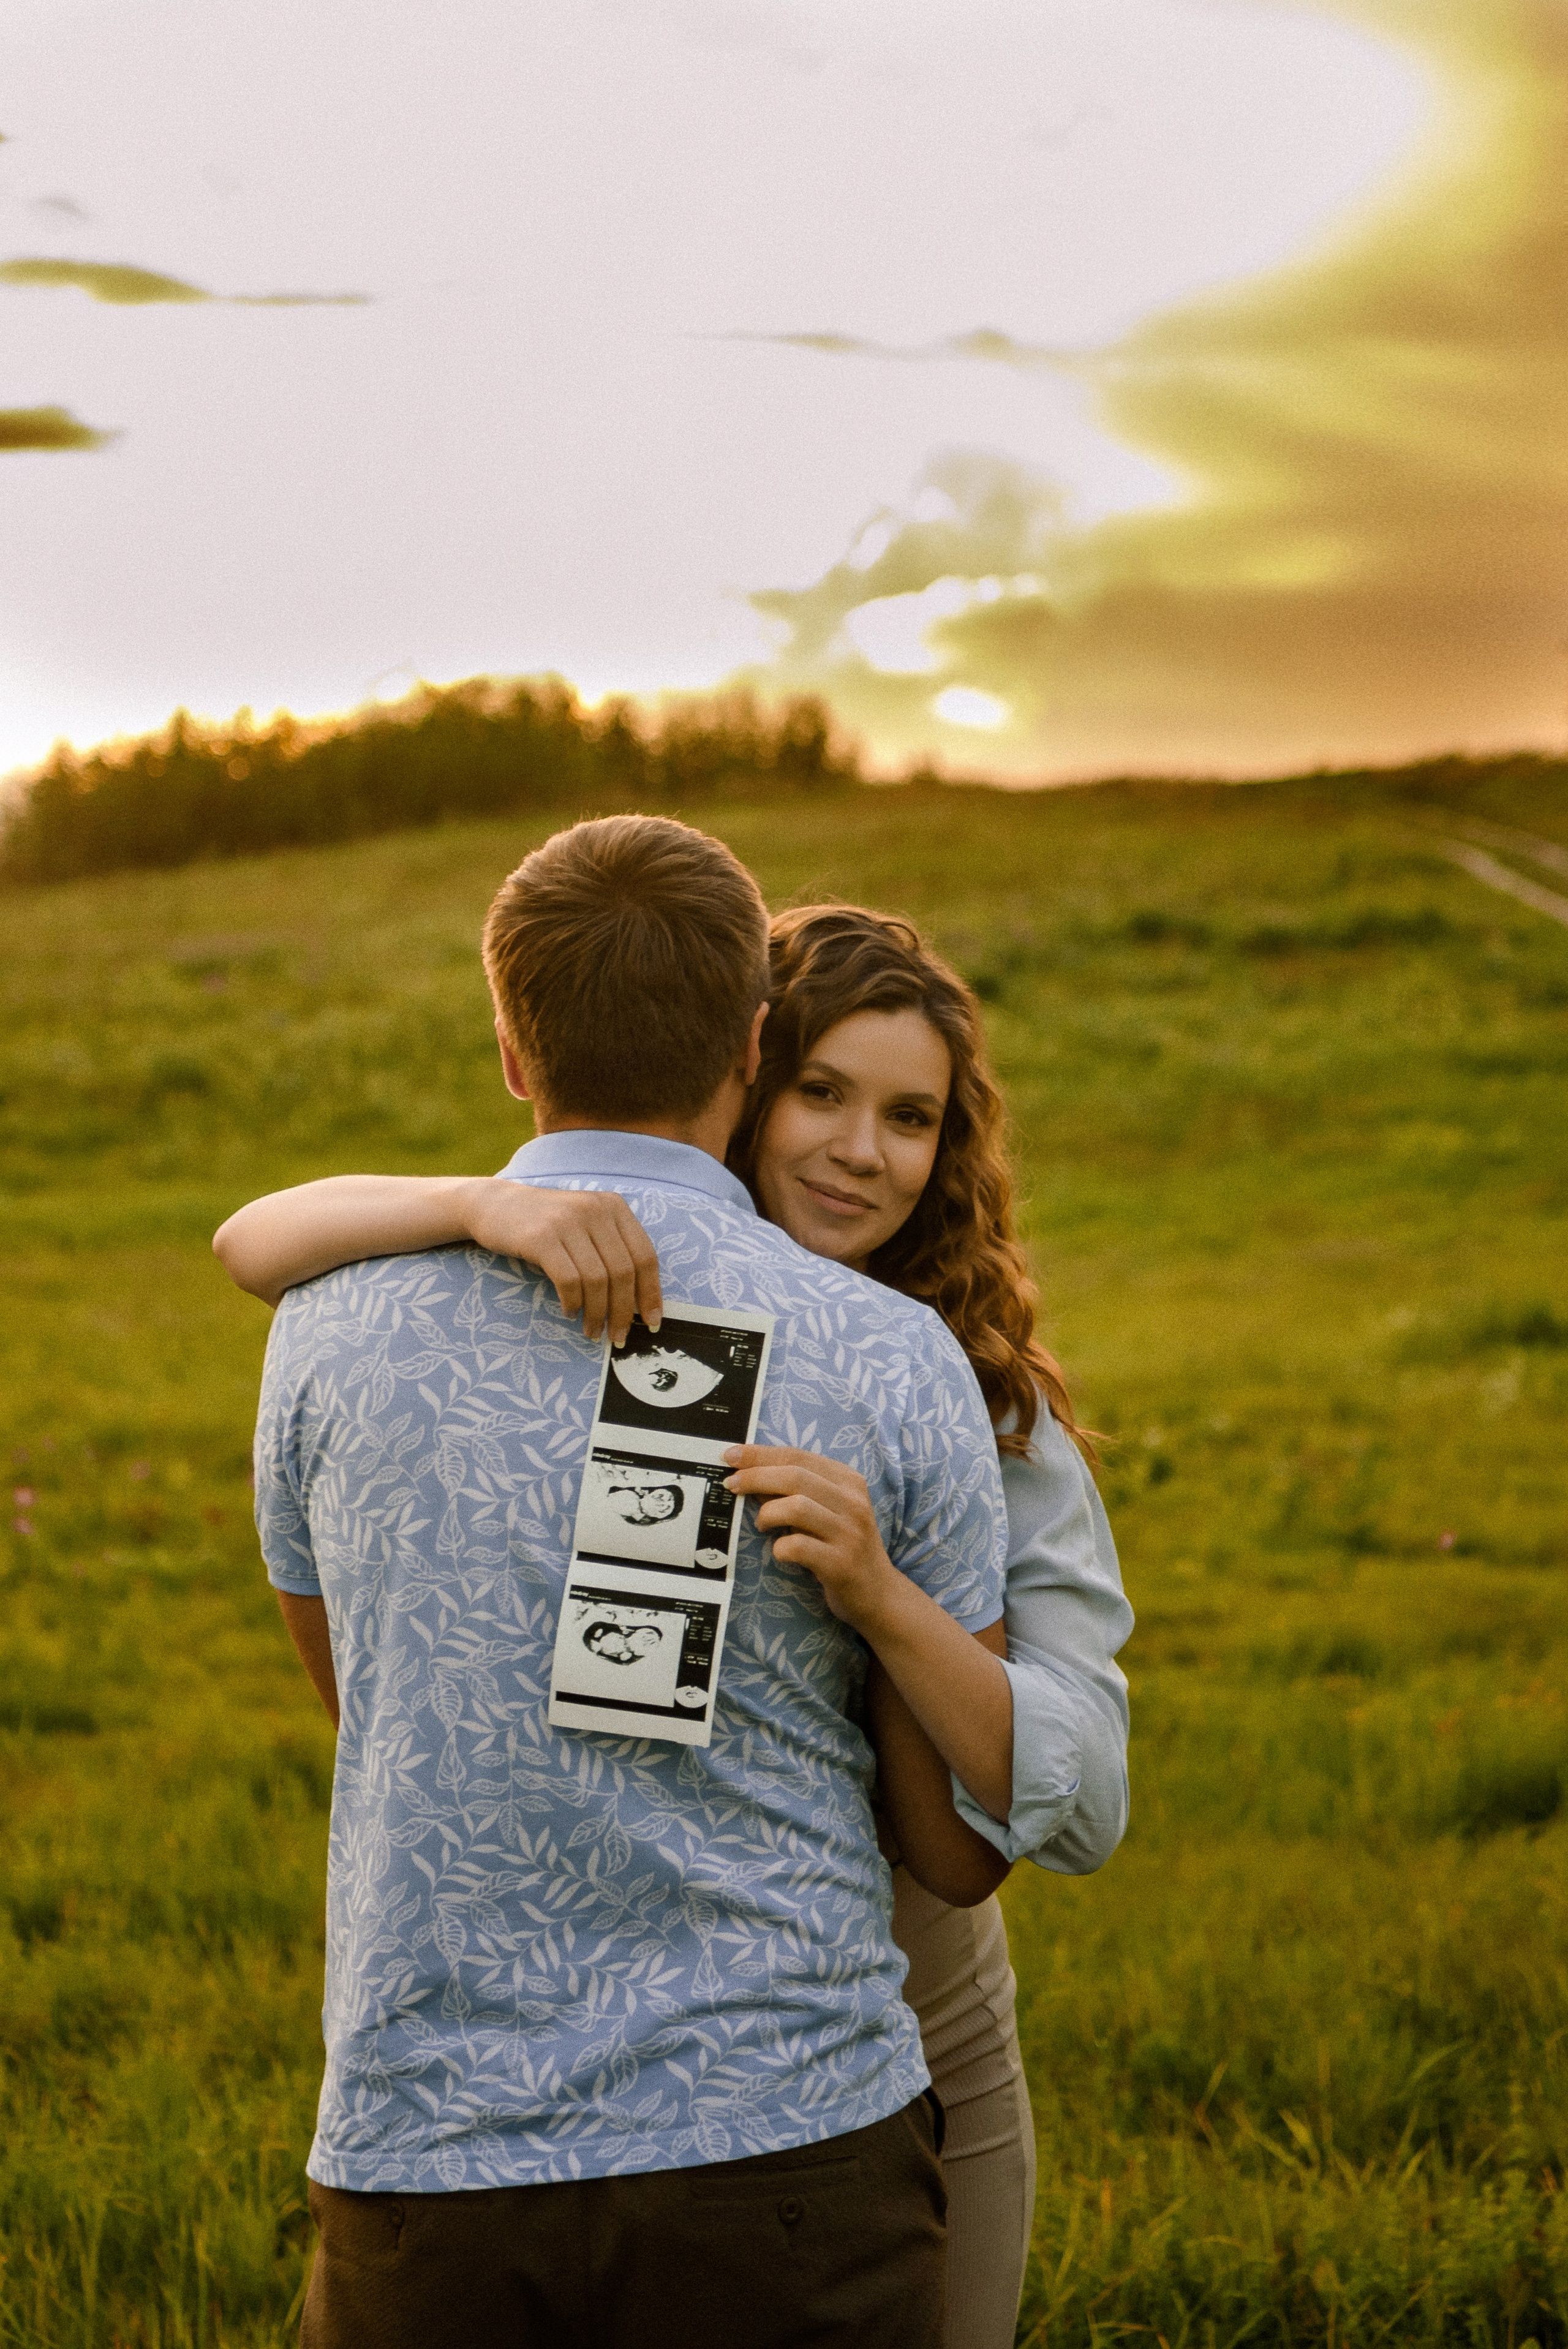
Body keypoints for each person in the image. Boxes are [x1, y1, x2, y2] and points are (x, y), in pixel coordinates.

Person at [218, 899, 1134, 2349]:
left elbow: (1040, 1816)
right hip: (687, 2077)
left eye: (909, 1116)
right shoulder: (631, 1322)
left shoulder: (967, 1393)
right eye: (821, 1094)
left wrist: (887, 1599)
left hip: (900, 2012)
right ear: (742, 1071)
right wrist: (479, 1201)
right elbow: (255, 1236)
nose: (856, 1148)